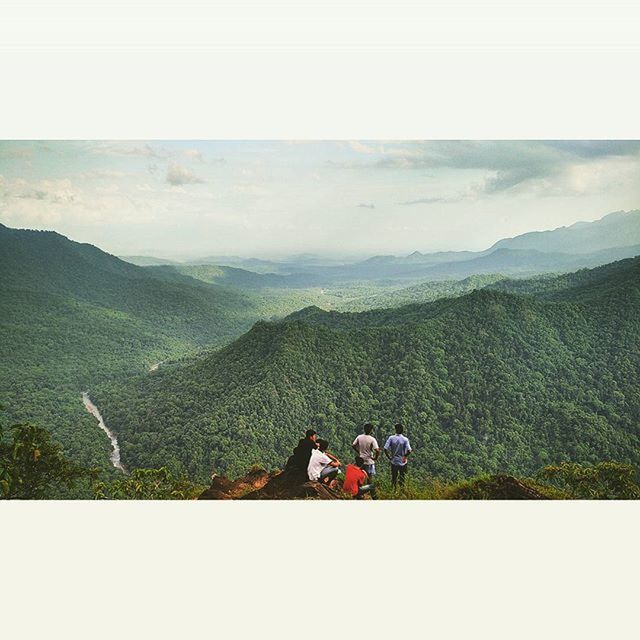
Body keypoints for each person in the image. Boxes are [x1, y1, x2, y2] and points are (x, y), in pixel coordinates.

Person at [384, 423, 412, 488]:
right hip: (402, 462)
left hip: (394, 461)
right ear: (402, 430)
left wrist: (389, 457)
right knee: (402, 478)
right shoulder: (405, 439)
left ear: (395, 430)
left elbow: (385, 448)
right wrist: (405, 456)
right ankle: (402, 491)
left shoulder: (391, 438)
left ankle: (394, 491)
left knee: (394, 477)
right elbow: (409, 450)